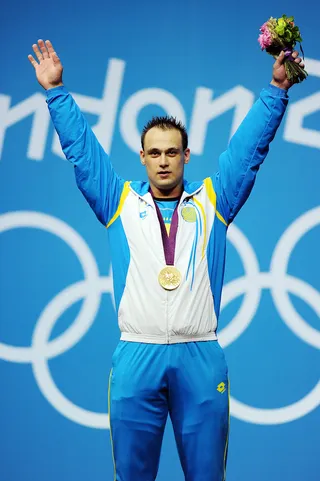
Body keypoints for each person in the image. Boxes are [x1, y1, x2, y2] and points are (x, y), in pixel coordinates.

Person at [28, 39, 304, 481]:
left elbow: (249, 151)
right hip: (138, 354)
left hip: (200, 354)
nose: (162, 162)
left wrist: (276, 90)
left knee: (207, 476)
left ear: (186, 156)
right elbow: (82, 154)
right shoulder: (117, 202)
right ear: (142, 157)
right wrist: (56, 92)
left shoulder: (215, 200)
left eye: (172, 152)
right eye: (153, 153)